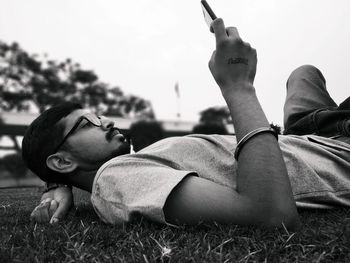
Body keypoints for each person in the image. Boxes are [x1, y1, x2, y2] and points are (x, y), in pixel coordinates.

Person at [25, 18, 350, 230]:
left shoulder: (125, 166)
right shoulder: (114, 179)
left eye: (98, 116)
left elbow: (62, 164)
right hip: (339, 149)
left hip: (308, 132)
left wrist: (58, 184)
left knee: (303, 73)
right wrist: (238, 87)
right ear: (63, 160)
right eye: (87, 124)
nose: (106, 121)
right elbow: (270, 215)